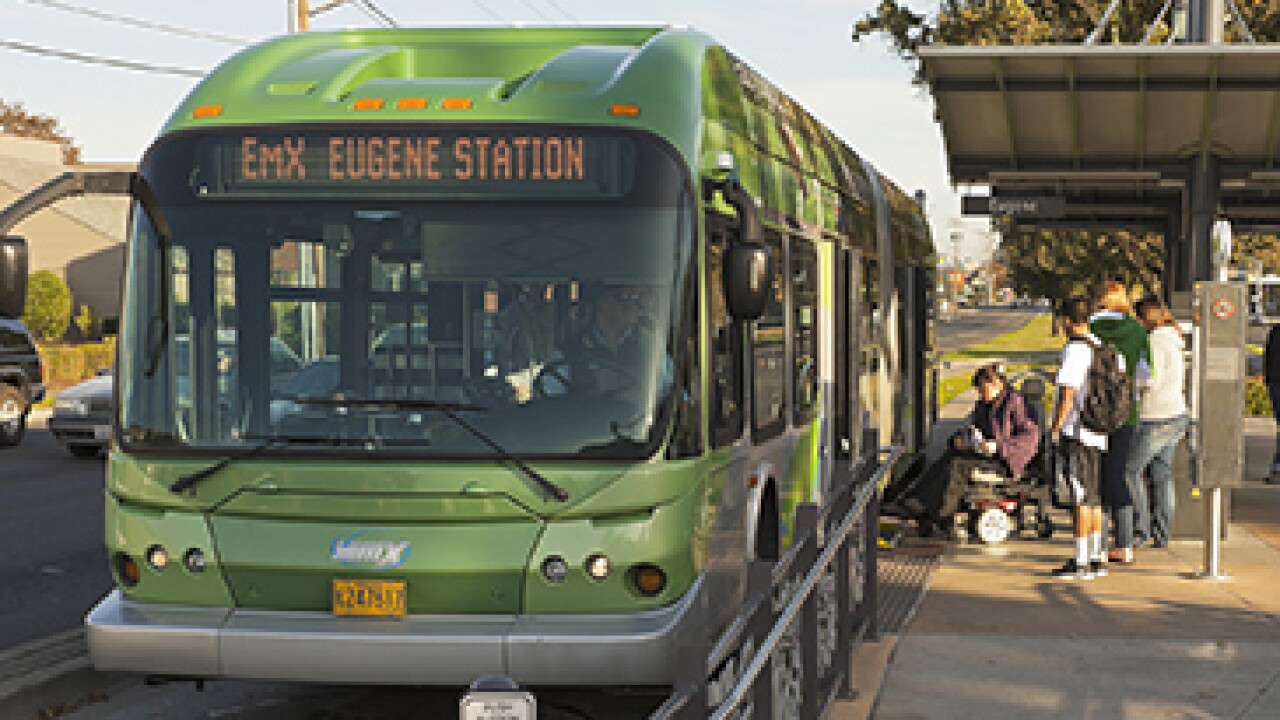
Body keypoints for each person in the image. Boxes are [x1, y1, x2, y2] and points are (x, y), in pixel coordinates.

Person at [905, 362, 1041, 534]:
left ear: (996, 384)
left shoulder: (1016, 403)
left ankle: (944, 514)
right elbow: (973, 428)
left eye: (983, 389)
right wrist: (958, 439)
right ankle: (917, 503)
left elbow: (1030, 437)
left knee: (958, 466)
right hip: (985, 453)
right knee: (950, 456)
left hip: (1008, 458)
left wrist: (999, 446)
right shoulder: (984, 405)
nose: (980, 394)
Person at [1089, 281, 1150, 564]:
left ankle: (1098, 545)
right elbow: (1147, 374)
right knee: (1120, 477)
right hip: (1127, 413)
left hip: (1095, 413)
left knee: (1096, 480)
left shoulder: (1091, 328)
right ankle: (1124, 544)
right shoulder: (1138, 331)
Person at [1051, 296, 1110, 580]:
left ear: (1067, 320)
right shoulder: (1101, 346)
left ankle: (1081, 561)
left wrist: (1055, 427)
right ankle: (1097, 556)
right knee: (1095, 496)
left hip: (1078, 431)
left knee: (1080, 497)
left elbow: (1067, 392)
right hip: (1099, 432)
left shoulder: (1076, 349)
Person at [1128, 295, 1189, 548]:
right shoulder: (1174, 339)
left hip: (1155, 416)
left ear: (1144, 319)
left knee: (1130, 472)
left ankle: (1140, 530)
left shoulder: (1152, 342)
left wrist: (1130, 376)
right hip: (1176, 413)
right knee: (1163, 475)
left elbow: (1148, 379)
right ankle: (1162, 533)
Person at [1266, 323, 1280, 479]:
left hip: (1275, 383)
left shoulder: (1275, 332)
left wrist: (1268, 381)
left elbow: (1268, 357)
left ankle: (1277, 466)